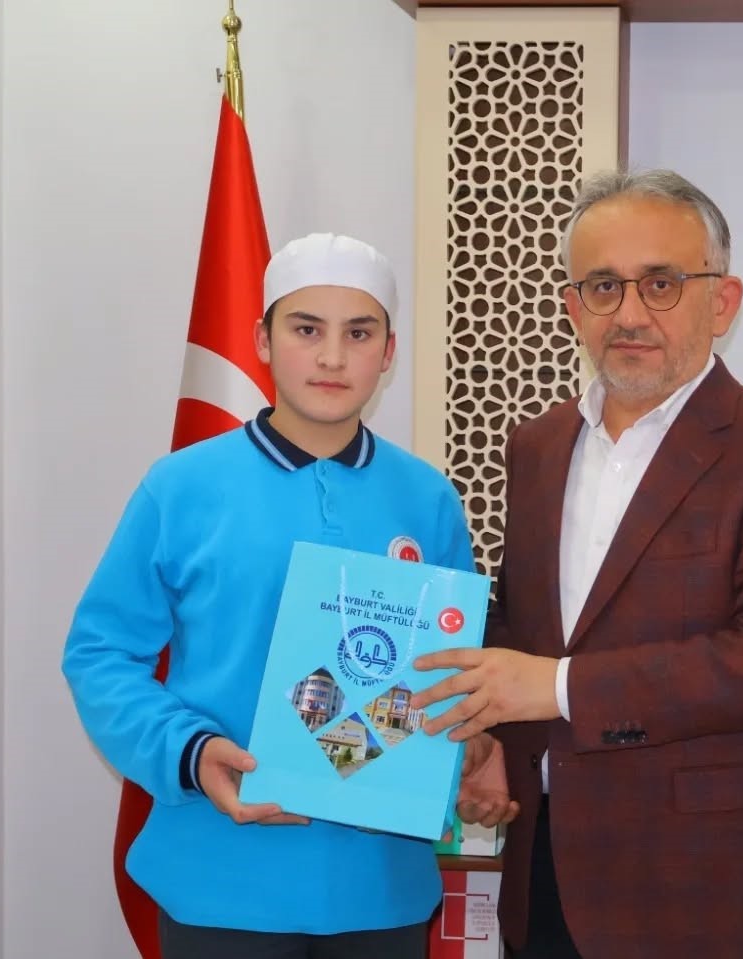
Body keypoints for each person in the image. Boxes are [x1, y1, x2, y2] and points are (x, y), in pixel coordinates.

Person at [411, 170, 743, 958]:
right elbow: (523, 624)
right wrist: (488, 739)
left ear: (722, 302)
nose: (628, 313)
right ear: (571, 306)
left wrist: (554, 687)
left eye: (660, 283)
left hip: (705, 887)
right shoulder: (536, 446)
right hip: (546, 869)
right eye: (603, 286)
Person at [62, 233, 476, 958]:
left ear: (388, 352)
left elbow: (452, 669)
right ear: (262, 339)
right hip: (220, 875)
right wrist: (190, 752)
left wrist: (464, 751)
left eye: (358, 333)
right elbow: (99, 655)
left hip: (379, 885)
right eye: (306, 329)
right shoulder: (181, 487)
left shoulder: (427, 498)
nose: (332, 357)